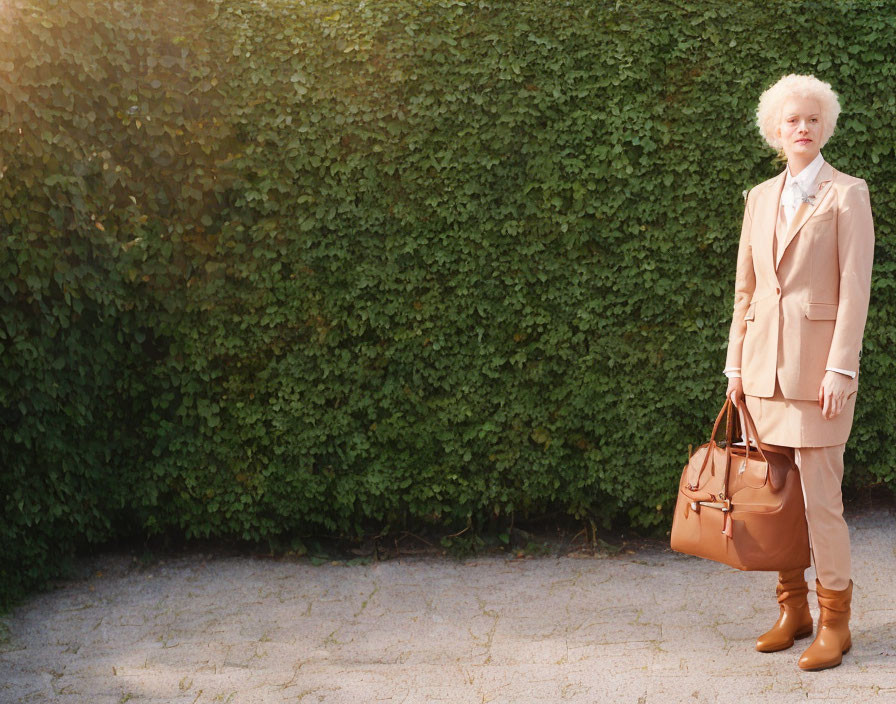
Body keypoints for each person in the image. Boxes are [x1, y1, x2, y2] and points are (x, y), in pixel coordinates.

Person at [724, 73, 875, 671]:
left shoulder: (847, 193)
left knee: (822, 503)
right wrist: (735, 363)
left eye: (813, 119)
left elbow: (856, 288)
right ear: (776, 131)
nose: (803, 128)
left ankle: (835, 623)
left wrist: (842, 367)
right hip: (762, 373)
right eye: (792, 120)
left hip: (819, 379)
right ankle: (794, 610)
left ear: (825, 127)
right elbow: (746, 289)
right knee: (777, 497)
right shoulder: (759, 197)